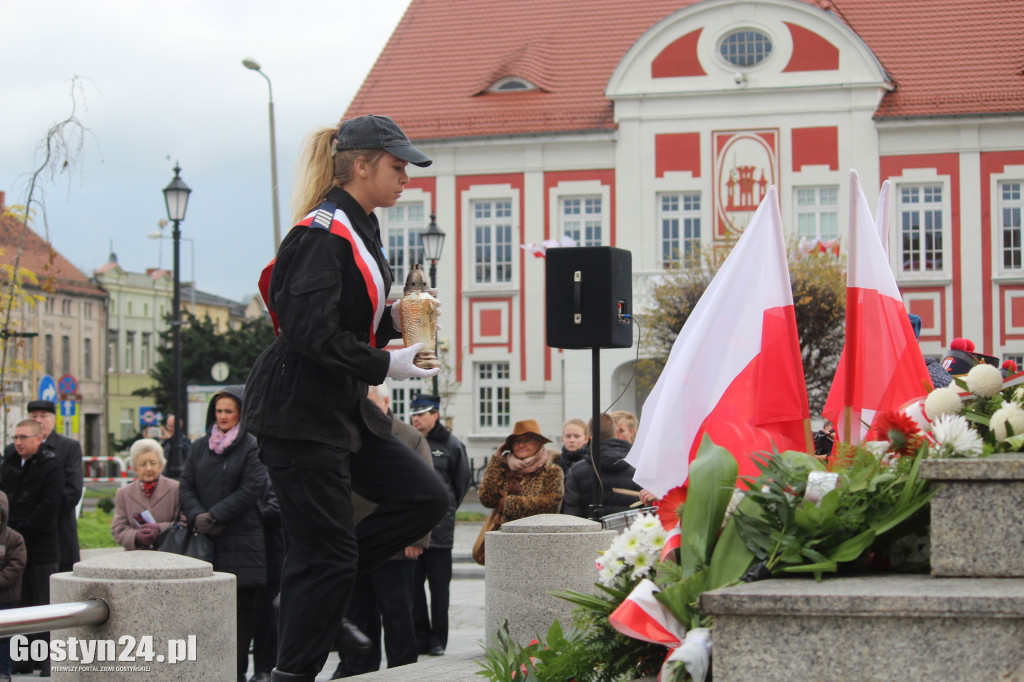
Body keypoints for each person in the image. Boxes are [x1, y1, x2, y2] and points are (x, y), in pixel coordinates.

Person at [243, 113, 449, 682]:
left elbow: (344, 321)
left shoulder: (360, 225)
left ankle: (319, 584)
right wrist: (387, 362)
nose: (406, 176)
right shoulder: (319, 233)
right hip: (298, 414)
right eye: (396, 165)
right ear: (361, 165)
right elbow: (310, 333)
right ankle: (294, 665)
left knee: (424, 499)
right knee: (327, 560)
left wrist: (399, 323)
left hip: (338, 409)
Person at [332, 383, 434, 677]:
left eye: (369, 402)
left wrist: (417, 538)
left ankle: (403, 672)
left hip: (395, 546)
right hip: (354, 541)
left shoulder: (409, 437)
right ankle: (358, 670)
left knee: (398, 616)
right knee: (357, 613)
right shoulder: (348, 432)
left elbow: (427, 491)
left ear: (386, 402)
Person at [179, 387, 269, 682]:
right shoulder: (199, 447)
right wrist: (199, 516)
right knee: (206, 616)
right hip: (204, 542)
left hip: (242, 543)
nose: (223, 417)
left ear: (241, 413)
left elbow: (251, 488)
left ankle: (237, 673)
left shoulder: (251, 446)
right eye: (219, 411)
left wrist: (216, 515)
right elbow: (186, 486)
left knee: (241, 617)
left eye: (229, 411)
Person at [408, 394, 470, 658]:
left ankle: (438, 640)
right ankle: (420, 635)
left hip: (441, 531)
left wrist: (445, 510)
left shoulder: (452, 445)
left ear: (435, 414)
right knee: (413, 587)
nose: (416, 418)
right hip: (412, 530)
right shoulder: (408, 442)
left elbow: (461, 484)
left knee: (439, 589)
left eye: (421, 413)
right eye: (414, 413)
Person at [0, 419, 63, 677]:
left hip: (40, 547)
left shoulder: (52, 466)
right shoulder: (10, 463)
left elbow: (49, 507)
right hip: (12, 543)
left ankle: (47, 662)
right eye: (15, 436)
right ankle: (22, 660)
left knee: (42, 605)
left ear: (39, 439)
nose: (18, 442)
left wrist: (19, 530)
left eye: (24, 437)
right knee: (20, 606)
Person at [17, 400, 83, 573]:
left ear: (53, 420)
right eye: (34, 416)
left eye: (43, 416)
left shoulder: (68, 448)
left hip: (58, 532)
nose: (39, 420)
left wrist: (43, 516)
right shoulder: (15, 449)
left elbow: (72, 490)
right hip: (23, 533)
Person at [478, 420, 564, 528]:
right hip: (504, 536)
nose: (521, 445)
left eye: (527, 440)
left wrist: (508, 504)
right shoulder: (503, 467)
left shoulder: (551, 471)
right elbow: (487, 499)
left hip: (537, 536)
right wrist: (496, 460)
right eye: (517, 441)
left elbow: (550, 506)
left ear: (539, 442)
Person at [562, 414, 641, 518]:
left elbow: (571, 516)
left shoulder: (576, 471)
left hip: (590, 532)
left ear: (589, 438)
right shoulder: (638, 466)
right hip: (629, 531)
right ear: (617, 433)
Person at [110, 439, 182, 550]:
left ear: (161, 465)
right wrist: (136, 536)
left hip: (169, 554)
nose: (148, 468)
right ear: (135, 468)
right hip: (136, 559)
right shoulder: (123, 493)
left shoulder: (176, 489)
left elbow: (184, 523)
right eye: (143, 464)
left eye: (153, 463)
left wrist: (160, 528)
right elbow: (118, 529)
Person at [0, 490, 26, 682]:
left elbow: (15, 566)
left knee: (4, 639)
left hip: (5, 597)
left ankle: (4, 672)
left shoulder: (13, 538)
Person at [554, 418, 590, 484]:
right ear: (562, 438)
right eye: (568, 436)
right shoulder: (555, 464)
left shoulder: (592, 463)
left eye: (577, 436)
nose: (572, 440)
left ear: (586, 439)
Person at [159, 414, 192, 480]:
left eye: (172, 426)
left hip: (178, 478)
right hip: (165, 477)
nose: (170, 428)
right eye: (168, 426)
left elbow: (186, 456)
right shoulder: (165, 440)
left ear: (180, 426)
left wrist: (171, 439)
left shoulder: (184, 440)